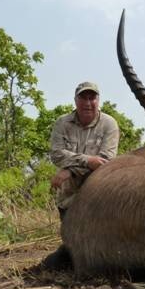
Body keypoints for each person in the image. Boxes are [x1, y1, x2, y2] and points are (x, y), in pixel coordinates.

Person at [49, 81, 119, 215]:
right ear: (75, 100)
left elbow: (105, 162)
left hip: (97, 197)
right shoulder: (62, 123)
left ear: (98, 101)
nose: (87, 103)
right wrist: (87, 161)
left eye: (91, 98)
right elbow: (56, 154)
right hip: (67, 199)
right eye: (83, 98)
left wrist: (70, 171)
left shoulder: (109, 124)